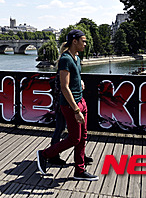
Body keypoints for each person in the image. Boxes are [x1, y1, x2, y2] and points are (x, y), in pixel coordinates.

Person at [37, 29, 98, 181]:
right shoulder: (65, 59)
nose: (85, 43)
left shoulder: (76, 57)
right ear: (74, 41)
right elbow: (64, 87)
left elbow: (74, 79)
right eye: (83, 41)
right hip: (71, 105)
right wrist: (76, 109)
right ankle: (44, 154)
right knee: (74, 138)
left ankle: (80, 170)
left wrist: (80, 82)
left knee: (83, 137)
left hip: (80, 100)